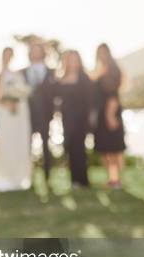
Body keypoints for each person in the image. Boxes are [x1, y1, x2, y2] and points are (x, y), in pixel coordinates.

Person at [0, 47, 33, 192]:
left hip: (20, 114)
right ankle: (5, 177)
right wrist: (7, 103)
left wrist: (17, 98)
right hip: (6, 113)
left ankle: (20, 177)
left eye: (10, 55)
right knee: (6, 142)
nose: (7, 57)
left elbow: (23, 91)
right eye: (5, 55)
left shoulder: (18, 73)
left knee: (19, 143)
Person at [53, 50, 93, 188]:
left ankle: (83, 180)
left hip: (81, 119)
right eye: (70, 60)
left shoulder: (84, 78)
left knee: (80, 149)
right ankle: (74, 180)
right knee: (69, 148)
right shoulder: (60, 79)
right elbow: (56, 100)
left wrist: (90, 119)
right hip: (66, 120)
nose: (72, 62)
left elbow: (90, 100)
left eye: (75, 59)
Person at [21, 43, 56, 184]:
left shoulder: (51, 71)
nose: (35, 53)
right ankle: (29, 177)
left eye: (38, 50)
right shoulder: (22, 72)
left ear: (43, 53)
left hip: (46, 115)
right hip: (27, 116)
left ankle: (47, 177)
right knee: (26, 146)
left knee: (46, 147)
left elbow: (54, 94)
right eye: (33, 51)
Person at [93, 43, 126, 189]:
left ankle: (116, 179)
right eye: (99, 52)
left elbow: (113, 96)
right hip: (101, 114)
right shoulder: (100, 70)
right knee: (104, 149)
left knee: (114, 149)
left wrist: (110, 115)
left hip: (109, 113)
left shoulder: (113, 70)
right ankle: (111, 179)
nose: (101, 55)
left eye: (103, 52)